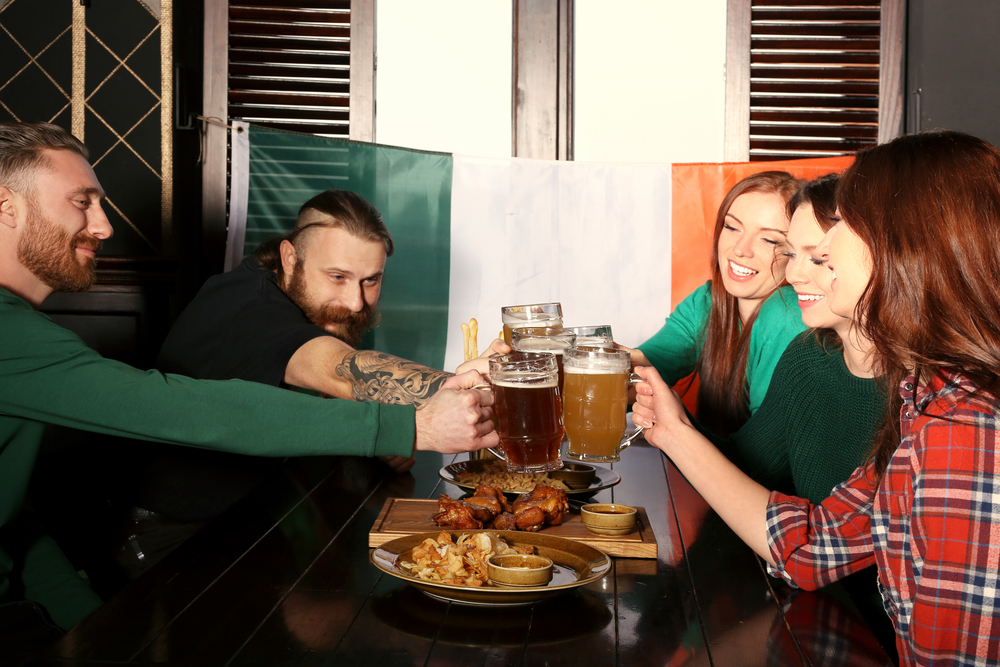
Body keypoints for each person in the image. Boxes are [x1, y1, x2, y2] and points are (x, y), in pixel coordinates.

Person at [0, 121, 496, 645]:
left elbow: (13, 520)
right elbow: (204, 404)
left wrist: (80, 623)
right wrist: (420, 416)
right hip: (175, 536)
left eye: (369, 281)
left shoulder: (25, 330)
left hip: (239, 522)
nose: (104, 227)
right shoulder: (244, 304)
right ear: (6, 203)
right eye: (82, 201)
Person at [632, 130, 1000, 665]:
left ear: (905, 251)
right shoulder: (928, 393)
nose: (800, 266)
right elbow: (815, 544)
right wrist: (673, 432)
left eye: (831, 242)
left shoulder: (964, 433)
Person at [118, 190, 507, 577]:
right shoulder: (252, 311)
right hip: (169, 539)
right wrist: (456, 384)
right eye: (337, 277)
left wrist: (378, 440)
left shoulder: (285, 285)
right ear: (290, 258)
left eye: (370, 281)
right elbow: (340, 368)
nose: (356, 301)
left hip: (255, 516)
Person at [629, 171, 806, 437]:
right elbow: (646, 366)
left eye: (769, 239)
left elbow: (764, 459)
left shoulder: (788, 313)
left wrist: (676, 424)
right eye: (732, 227)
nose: (740, 249)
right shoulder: (711, 300)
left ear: (796, 252)